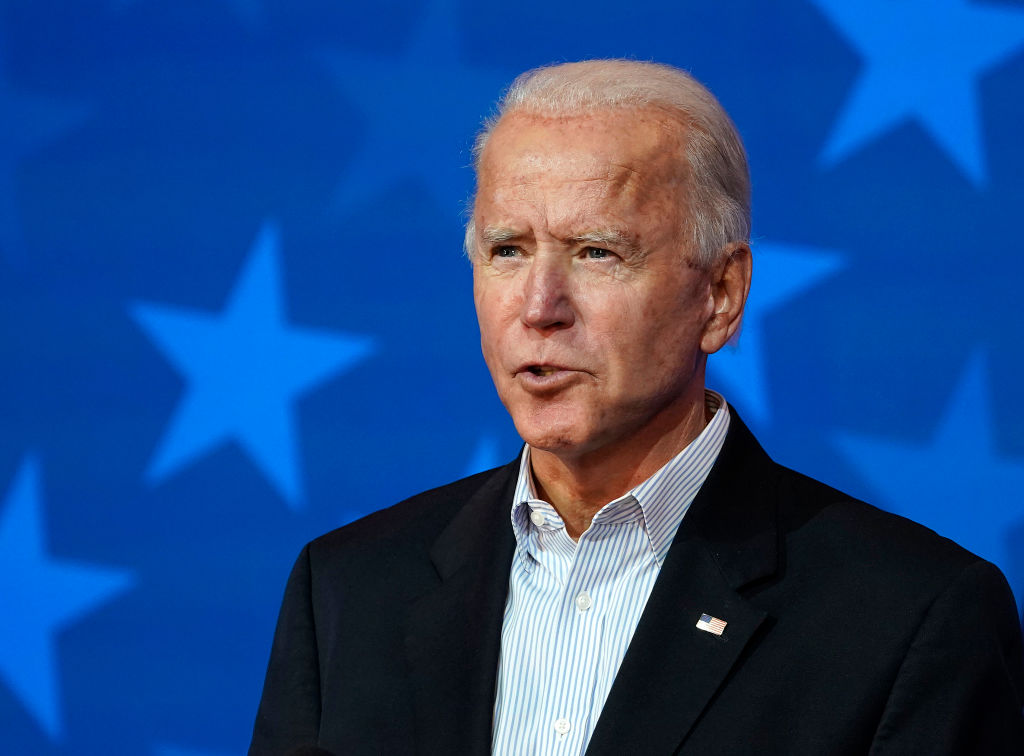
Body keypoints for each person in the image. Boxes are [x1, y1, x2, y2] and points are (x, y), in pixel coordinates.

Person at [249, 60, 1024, 755]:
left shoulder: (910, 618)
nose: (540, 307)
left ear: (720, 297)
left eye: (597, 252)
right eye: (507, 251)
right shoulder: (350, 589)